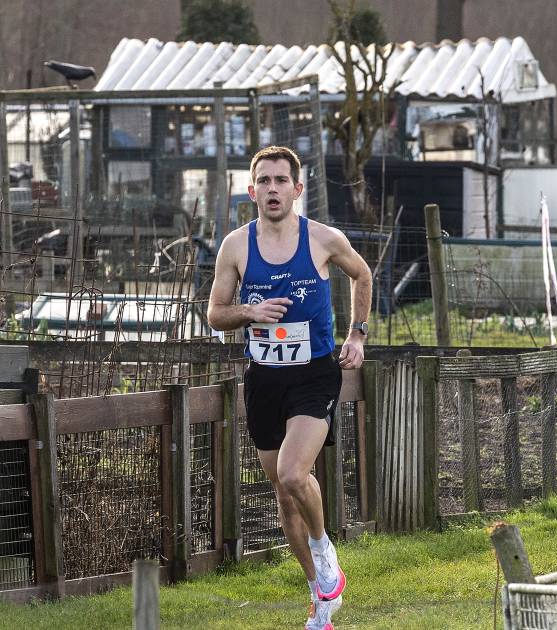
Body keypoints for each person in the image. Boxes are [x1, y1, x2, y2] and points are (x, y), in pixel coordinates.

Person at [206, 146, 372, 630]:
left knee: (294, 474)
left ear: (298, 189)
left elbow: (361, 274)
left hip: (314, 373)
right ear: (251, 189)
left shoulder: (322, 239)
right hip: (263, 377)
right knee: (282, 491)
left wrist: (357, 334)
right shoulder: (236, 246)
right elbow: (215, 313)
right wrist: (249, 312)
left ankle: (324, 551)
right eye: (264, 181)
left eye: (282, 180)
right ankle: (320, 596)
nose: (273, 189)